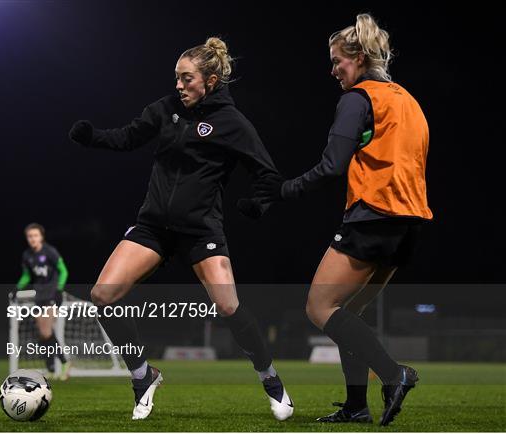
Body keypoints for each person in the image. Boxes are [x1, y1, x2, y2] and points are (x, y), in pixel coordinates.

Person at [68, 37, 293, 421]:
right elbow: (129, 136)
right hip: (153, 226)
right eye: (176, 77)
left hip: (201, 230)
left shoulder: (232, 123)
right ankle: (143, 377)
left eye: (186, 78)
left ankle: (271, 380)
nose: (178, 85)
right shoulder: (166, 109)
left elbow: (267, 173)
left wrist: (259, 204)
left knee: (228, 305)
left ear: (211, 79)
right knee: (102, 295)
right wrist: (93, 138)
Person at [256, 14, 432, 426]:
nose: (333, 69)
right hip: (409, 223)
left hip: (372, 216)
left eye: (338, 61)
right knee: (349, 313)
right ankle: (356, 406)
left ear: (358, 58)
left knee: (319, 307)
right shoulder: (406, 98)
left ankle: (395, 374)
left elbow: (333, 164)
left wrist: (284, 190)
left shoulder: (359, 97)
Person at [12, 222, 71, 380]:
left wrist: (59, 289)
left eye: (35, 235)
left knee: (46, 331)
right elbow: (26, 275)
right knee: (43, 335)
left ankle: (64, 363)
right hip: (40, 297)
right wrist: (17, 288)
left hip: (52, 295)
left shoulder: (50, 251)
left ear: (41, 237)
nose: (32, 239)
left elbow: (64, 271)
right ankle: (51, 368)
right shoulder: (27, 256)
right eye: (30, 236)